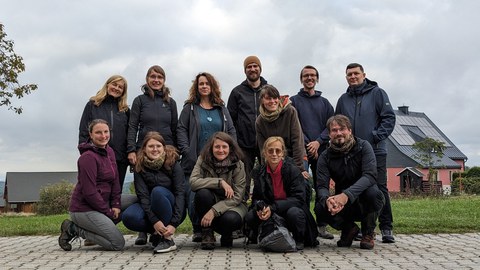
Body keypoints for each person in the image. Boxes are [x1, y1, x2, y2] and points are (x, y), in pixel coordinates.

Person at [335, 63, 396, 243]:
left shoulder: (377, 93)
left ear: (364, 75)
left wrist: (376, 137)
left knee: (379, 188)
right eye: (349, 74)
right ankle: (363, 229)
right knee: (357, 188)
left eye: (356, 73)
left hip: (376, 150)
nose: (352, 77)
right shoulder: (343, 99)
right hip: (351, 152)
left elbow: (389, 118)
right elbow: (337, 123)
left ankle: (386, 227)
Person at [59, 119, 137, 251]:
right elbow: (89, 192)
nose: (103, 136)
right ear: (90, 135)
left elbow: (115, 181)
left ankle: (100, 229)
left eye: (106, 132)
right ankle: (75, 229)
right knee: (117, 243)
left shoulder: (110, 152)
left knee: (136, 200)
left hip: (103, 202)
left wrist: (116, 204)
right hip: (84, 209)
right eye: (98, 132)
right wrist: (108, 212)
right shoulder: (87, 158)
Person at [177, 72, 236, 242]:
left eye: (207, 84)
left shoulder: (221, 108)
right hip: (195, 159)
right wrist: (187, 151)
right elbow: (181, 129)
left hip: (220, 161)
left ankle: (224, 228)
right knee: (196, 195)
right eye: (201, 84)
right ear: (196, 87)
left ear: (212, 87)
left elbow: (231, 130)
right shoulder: (190, 108)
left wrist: (231, 151)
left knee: (220, 194)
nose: (204, 86)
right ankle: (200, 229)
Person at [314, 115, 385, 250]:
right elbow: (322, 185)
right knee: (320, 207)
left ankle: (368, 233)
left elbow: (370, 176)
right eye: (334, 130)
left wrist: (346, 195)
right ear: (329, 134)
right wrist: (327, 200)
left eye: (342, 129)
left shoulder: (364, 146)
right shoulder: (325, 156)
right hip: (342, 205)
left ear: (350, 131)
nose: (339, 133)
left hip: (363, 198)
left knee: (374, 194)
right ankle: (349, 229)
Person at [127, 65, 179, 245]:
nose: (156, 80)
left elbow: (175, 127)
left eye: (160, 77)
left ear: (164, 80)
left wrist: (174, 150)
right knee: (144, 189)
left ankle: (164, 228)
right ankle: (145, 230)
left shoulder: (170, 103)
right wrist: (131, 150)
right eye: (153, 77)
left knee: (162, 190)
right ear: (147, 79)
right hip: (143, 151)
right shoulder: (139, 101)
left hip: (166, 151)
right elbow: (132, 126)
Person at [245, 136, 318, 251]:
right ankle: (262, 234)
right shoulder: (259, 172)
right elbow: (256, 199)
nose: (274, 154)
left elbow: (298, 199)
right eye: (270, 151)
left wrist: (272, 207)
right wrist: (261, 208)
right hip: (271, 212)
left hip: (289, 210)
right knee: (251, 216)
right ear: (265, 153)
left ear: (282, 153)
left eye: (278, 151)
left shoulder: (292, 170)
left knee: (294, 213)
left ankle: (299, 239)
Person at [121, 132, 185, 253]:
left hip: (172, 209)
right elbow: (143, 196)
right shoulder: (139, 166)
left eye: (158, 146)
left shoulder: (173, 163)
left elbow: (180, 193)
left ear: (163, 147)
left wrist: (174, 223)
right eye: (151, 146)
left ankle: (167, 239)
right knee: (129, 216)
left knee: (158, 191)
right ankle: (157, 233)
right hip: (150, 206)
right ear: (144, 149)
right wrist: (154, 221)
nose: (155, 149)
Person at [290, 66, 335, 240]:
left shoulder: (325, 103)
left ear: (317, 78)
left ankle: (321, 225)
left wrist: (318, 142)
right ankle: (303, 223)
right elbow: (294, 126)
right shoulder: (294, 101)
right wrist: (308, 144)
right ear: (301, 79)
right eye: (306, 75)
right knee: (302, 187)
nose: (309, 78)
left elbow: (330, 126)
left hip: (322, 151)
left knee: (321, 187)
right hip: (301, 150)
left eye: (313, 75)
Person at [189, 132, 247, 250]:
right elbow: (193, 182)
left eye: (224, 147)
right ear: (211, 148)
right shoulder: (202, 160)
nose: (221, 150)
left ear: (230, 148)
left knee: (231, 219)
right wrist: (219, 182)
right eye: (217, 147)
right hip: (210, 199)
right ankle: (207, 233)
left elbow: (237, 196)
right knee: (202, 194)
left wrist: (214, 211)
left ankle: (227, 234)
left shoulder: (238, 165)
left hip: (233, 204)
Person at [78, 75, 130, 191]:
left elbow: (130, 133)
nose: (116, 88)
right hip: (97, 156)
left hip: (119, 159)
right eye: (114, 84)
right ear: (107, 85)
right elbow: (83, 130)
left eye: (120, 87)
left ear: (123, 92)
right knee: (98, 191)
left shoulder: (125, 110)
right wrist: (85, 152)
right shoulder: (93, 104)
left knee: (116, 193)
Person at [227, 56, 268, 199]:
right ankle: (241, 212)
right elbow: (230, 120)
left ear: (260, 68)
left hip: (265, 143)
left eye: (255, 66)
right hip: (243, 144)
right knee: (242, 180)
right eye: (249, 67)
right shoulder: (237, 92)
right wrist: (234, 143)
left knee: (267, 179)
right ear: (245, 70)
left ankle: (265, 210)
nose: (252, 69)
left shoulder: (269, 90)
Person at [255, 84, 309, 179]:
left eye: (275, 98)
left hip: (295, 156)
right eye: (268, 98)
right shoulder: (259, 121)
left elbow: (297, 141)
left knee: (299, 184)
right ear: (262, 101)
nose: (272, 101)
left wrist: (299, 169)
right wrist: (266, 171)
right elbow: (263, 149)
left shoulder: (290, 111)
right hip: (274, 158)